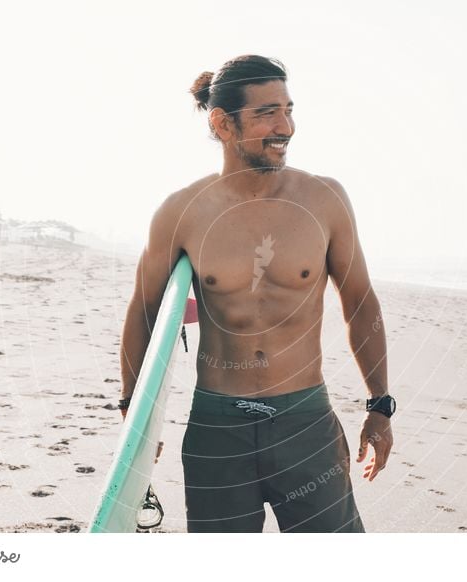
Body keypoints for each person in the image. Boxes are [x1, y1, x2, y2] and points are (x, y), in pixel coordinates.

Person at [118, 55, 393, 533]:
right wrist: (132, 409)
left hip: (305, 420)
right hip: (217, 429)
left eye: (288, 109)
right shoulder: (181, 212)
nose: (285, 125)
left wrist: (380, 404)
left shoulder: (324, 200)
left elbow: (360, 301)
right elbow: (144, 311)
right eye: (267, 112)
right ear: (223, 123)